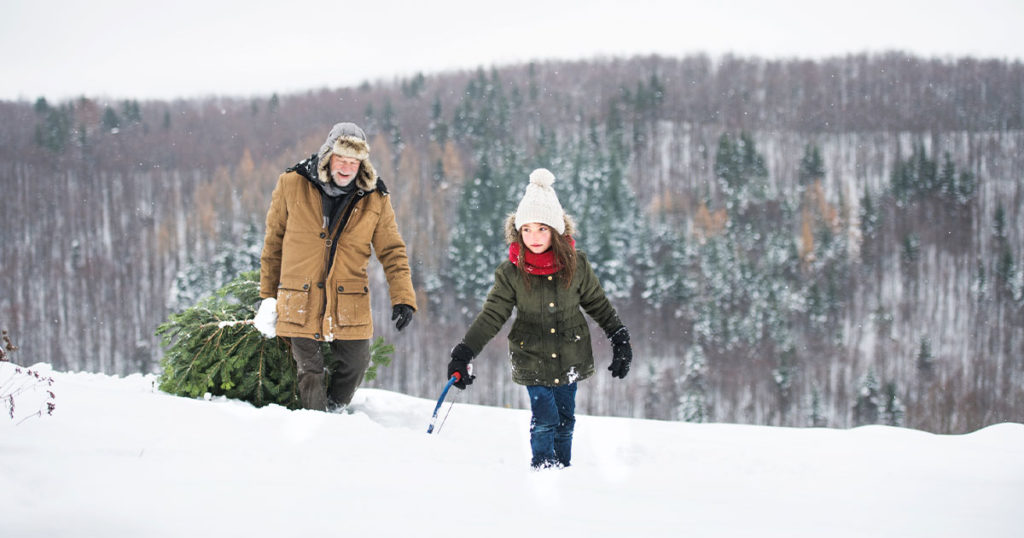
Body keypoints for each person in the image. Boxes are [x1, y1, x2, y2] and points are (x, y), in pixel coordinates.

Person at [446, 168, 632, 469]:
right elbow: (493, 315)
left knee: (566, 418)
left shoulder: (577, 264)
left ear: (556, 231)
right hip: (531, 354)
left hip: (571, 352)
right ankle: (544, 469)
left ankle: (564, 470)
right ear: (518, 231)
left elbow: (597, 303)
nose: (534, 237)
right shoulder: (511, 273)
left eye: (542, 229)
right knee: (546, 417)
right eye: (527, 229)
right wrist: (465, 351)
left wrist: (619, 337)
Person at [253, 122, 417, 411]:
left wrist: (403, 298)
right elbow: (273, 244)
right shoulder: (292, 183)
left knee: (357, 362)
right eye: (341, 158)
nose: (346, 167)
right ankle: (318, 427)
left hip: (348, 299)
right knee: (310, 370)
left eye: (353, 161)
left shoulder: (375, 198)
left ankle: (334, 410)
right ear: (328, 155)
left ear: (362, 163)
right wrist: (268, 296)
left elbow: (392, 251)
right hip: (299, 296)